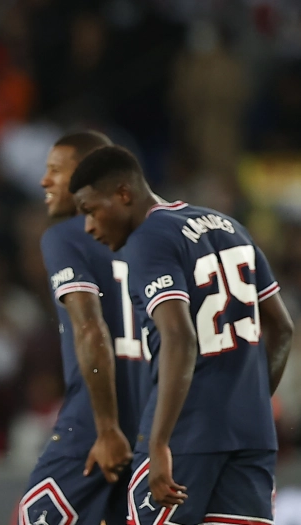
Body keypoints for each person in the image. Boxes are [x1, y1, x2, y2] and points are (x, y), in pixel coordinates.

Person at [69, 146, 294, 524]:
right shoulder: (229, 226)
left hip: (186, 432)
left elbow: (179, 336)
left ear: (123, 193)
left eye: (91, 210)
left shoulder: (148, 238)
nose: (89, 227)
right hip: (252, 435)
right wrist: (249, 400)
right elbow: (282, 328)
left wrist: (159, 442)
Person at [18, 132, 147, 525]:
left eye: (56, 171)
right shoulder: (154, 239)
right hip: (152, 424)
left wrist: (106, 428)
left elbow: (91, 329)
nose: (45, 181)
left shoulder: (67, 236)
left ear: (87, 174)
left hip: (97, 422)